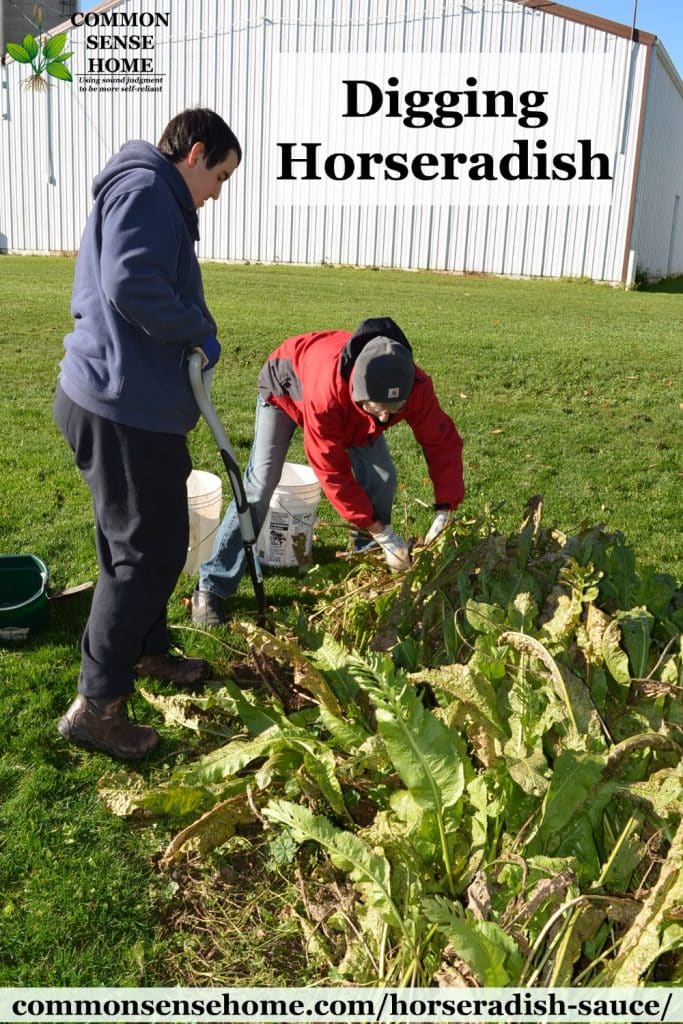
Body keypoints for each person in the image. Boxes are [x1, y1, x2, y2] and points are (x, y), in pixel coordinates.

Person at [54, 108, 242, 760]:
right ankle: (97, 704)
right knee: (148, 552)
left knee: (136, 542)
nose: (218, 190)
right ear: (194, 153)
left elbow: (142, 278)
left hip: (128, 402)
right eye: (219, 174)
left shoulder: (149, 193)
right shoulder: (143, 188)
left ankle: (148, 650)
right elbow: (130, 280)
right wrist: (196, 331)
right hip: (120, 405)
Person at [191, 317, 464, 626]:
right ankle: (212, 586)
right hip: (284, 387)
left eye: (395, 409)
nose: (387, 416)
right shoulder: (327, 393)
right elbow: (333, 472)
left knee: (382, 477)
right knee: (259, 486)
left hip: (352, 414)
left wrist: (445, 509)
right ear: (357, 389)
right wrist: (385, 533)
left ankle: (365, 559)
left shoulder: (413, 385)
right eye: (378, 408)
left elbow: (441, 441)